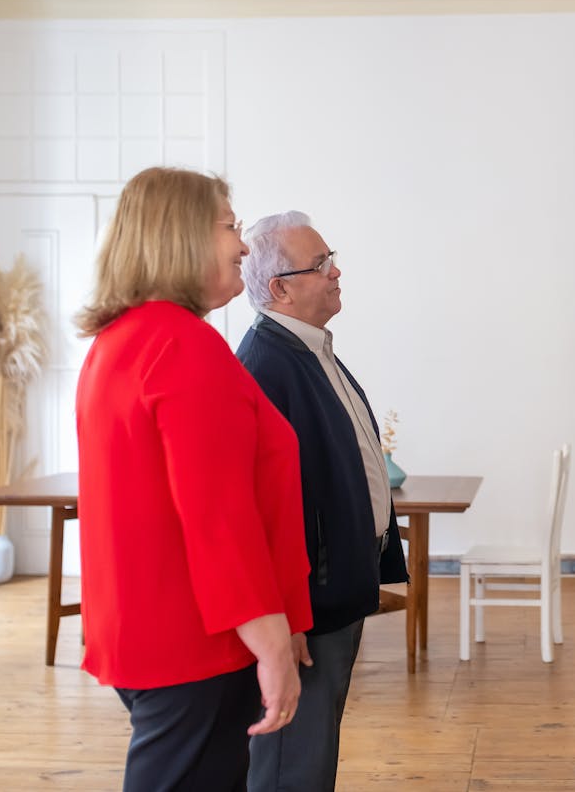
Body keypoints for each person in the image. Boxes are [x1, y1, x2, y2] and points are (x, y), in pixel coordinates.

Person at [74, 167, 314, 792]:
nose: (242, 245)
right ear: (180, 235)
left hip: (149, 632)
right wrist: (271, 641)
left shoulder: (119, 340)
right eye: (231, 226)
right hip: (196, 641)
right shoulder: (182, 345)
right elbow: (217, 517)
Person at [237, 211, 409, 792]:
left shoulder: (308, 349)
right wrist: (283, 617)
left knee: (313, 749)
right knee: (294, 759)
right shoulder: (266, 366)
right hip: (306, 606)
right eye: (321, 264)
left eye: (330, 258)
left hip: (332, 591)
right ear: (280, 288)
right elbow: (261, 510)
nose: (336, 272)